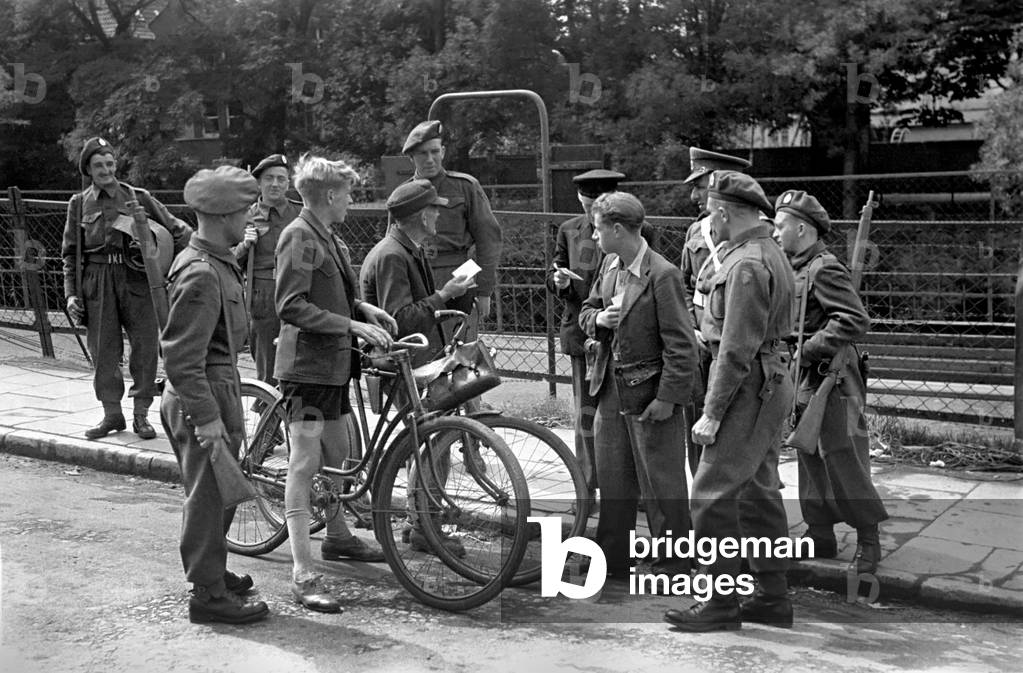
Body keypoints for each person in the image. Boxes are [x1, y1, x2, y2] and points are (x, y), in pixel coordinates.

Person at [664, 171, 794, 632]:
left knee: (711, 495)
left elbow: (736, 349)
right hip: (769, 379)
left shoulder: (744, 265)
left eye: (709, 213)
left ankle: (719, 603)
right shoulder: (766, 251)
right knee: (758, 492)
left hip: (747, 383)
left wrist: (712, 414)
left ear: (723, 212)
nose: (706, 224)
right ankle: (771, 598)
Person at [274, 154, 398, 613]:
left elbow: (334, 293)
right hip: (306, 370)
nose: (351, 200)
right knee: (304, 465)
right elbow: (291, 304)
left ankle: (340, 538)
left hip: (332, 368)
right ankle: (302, 573)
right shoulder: (300, 236)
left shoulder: (325, 234)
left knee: (339, 457)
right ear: (329, 195)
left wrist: (363, 310)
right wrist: (351, 326)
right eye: (347, 193)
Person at [160, 165, 268, 624]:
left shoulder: (217, 260)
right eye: (245, 211)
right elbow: (182, 358)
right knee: (206, 497)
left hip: (217, 385)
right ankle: (207, 596)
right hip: (201, 391)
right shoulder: (202, 273)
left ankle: (214, 572)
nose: (249, 219)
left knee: (220, 490)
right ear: (224, 215)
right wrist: (206, 419)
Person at [578, 191, 698, 580]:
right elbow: (585, 310)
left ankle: (674, 563)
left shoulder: (662, 275)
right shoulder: (610, 265)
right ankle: (612, 559)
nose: (594, 237)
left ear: (617, 228)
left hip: (650, 395)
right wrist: (599, 320)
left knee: (661, 483)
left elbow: (681, 347)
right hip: (610, 390)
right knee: (613, 477)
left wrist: (668, 398)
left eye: (598, 230)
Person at [772, 189, 888, 574]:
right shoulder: (793, 266)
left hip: (834, 377)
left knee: (843, 455)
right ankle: (819, 532)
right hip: (805, 376)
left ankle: (869, 541)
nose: (775, 233)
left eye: (781, 226)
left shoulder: (824, 267)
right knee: (808, 453)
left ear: (802, 228)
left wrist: (808, 349)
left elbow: (855, 320)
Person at [359, 179, 477, 557]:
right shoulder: (393, 255)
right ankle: (423, 524)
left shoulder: (408, 249)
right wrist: (444, 295)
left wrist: (453, 296)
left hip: (417, 364)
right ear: (418, 215)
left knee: (432, 444)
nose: (438, 214)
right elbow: (399, 321)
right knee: (431, 444)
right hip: (399, 367)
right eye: (433, 208)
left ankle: (421, 523)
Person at [62, 136, 191, 440]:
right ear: (89, 170)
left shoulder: (138, 196)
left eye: (109, 163)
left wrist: (186, 264)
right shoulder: (79, 203)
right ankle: (112, 415)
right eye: (98, 165)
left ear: (115, 165)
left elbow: (176, 230)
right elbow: (70, 253)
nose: (105, 169)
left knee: (145, 348)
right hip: (97, 279)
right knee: (103, 350)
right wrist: (70, 293)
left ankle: (141, 415)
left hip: (137, 278)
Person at [545, 169, 658, 502]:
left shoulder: (641, 230)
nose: (590, 213)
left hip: (625, 340)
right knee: (586, 417)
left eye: (596, 205)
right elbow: (553, 272)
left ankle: (631, 490)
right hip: (583, 332)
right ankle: (587, 487)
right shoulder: (568, 230)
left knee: (626, 417)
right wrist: (559, 282)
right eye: (585, 204)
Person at [677, 147, 753, 475]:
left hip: (734, 343)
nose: (694, 194)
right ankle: (702, 495)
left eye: (700, 185)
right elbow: (683, 285)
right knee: (697, 419)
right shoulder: (697, 232)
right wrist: (689, 328)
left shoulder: (757, 234)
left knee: (736, 423)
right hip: (700, 343)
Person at [401, 120, 502, 344]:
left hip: (457, 275)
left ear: (443, 152)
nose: (429, 159)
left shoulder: (465, 187)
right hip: (417, 278)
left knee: (460, 354)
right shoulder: (403, 195)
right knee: (422, 348)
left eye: (434, 152)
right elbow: (394, 242)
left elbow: (489, 240)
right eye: (422, 154)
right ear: (411, 158)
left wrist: (484, 290)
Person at [233, 153, 302, 385]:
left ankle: (294, 415)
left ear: (288, 183)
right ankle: (267, 415)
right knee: (267, 368)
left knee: (299, 363)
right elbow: (227, 262)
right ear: (259, 183)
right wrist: (245, 245)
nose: (275, 184)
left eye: (281, 179)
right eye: (269, 178)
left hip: (298, 292)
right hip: (264, 297)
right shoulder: (244, 217)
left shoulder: (300, 215)